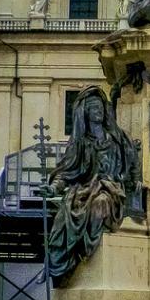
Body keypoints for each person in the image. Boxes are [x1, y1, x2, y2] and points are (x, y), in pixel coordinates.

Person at [47, 87, 140, 285]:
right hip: (85, 189)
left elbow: (132, 164)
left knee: (101, 203)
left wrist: (133, 181)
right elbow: (67, 170)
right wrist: (54, 188)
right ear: (86, 112)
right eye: (94, 108)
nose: (98, 111)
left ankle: (90, 254)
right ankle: (83, 258)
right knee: (72, 210)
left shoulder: (117, 138)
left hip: (112, 190)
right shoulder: (80, 143)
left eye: (100, 107)